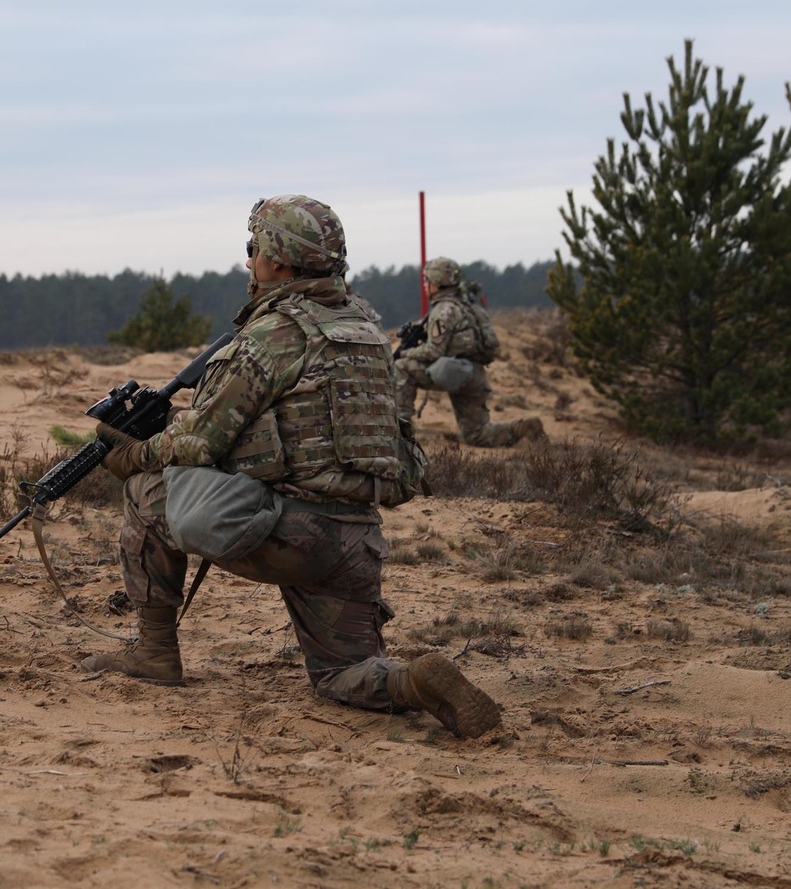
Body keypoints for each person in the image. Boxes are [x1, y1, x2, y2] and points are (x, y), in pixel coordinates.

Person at [80, 195, 501, 740]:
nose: (250, 260)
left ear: (278, 262)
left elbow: (198, 444)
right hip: (355, 540)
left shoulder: (271, 337)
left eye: (254, 248)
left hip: (286, 533)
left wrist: (128, 455)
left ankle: (155, 652)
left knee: (144, 487)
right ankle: (416, 683)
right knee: (343, 674)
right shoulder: (364, 331)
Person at [394, 257, 547, 447]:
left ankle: (400, 431)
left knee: (401, 367)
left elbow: (434, 351)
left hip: (454, 373)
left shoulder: (443, 310)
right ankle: (521, 429)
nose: (425, 285)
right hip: (474, 375)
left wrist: (405, 353)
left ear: (438, 283)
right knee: (478, 435)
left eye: (427, 280)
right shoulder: (468, 306)